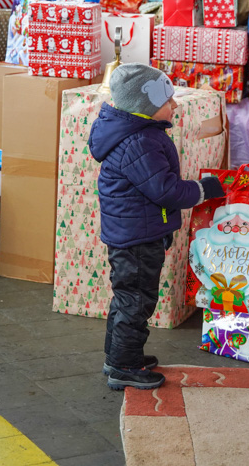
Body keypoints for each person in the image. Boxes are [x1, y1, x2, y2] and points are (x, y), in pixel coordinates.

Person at [89, 64, 225, 391]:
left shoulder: (137, 133)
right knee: (136, 302)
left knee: (128, 299)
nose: (175, 106)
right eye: (168, 101)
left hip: (134, 232)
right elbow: (165, 190)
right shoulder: (139, 143)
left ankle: (118, 356)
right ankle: (124, 366)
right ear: (146, 108)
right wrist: (209, 188)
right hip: (136, 239)